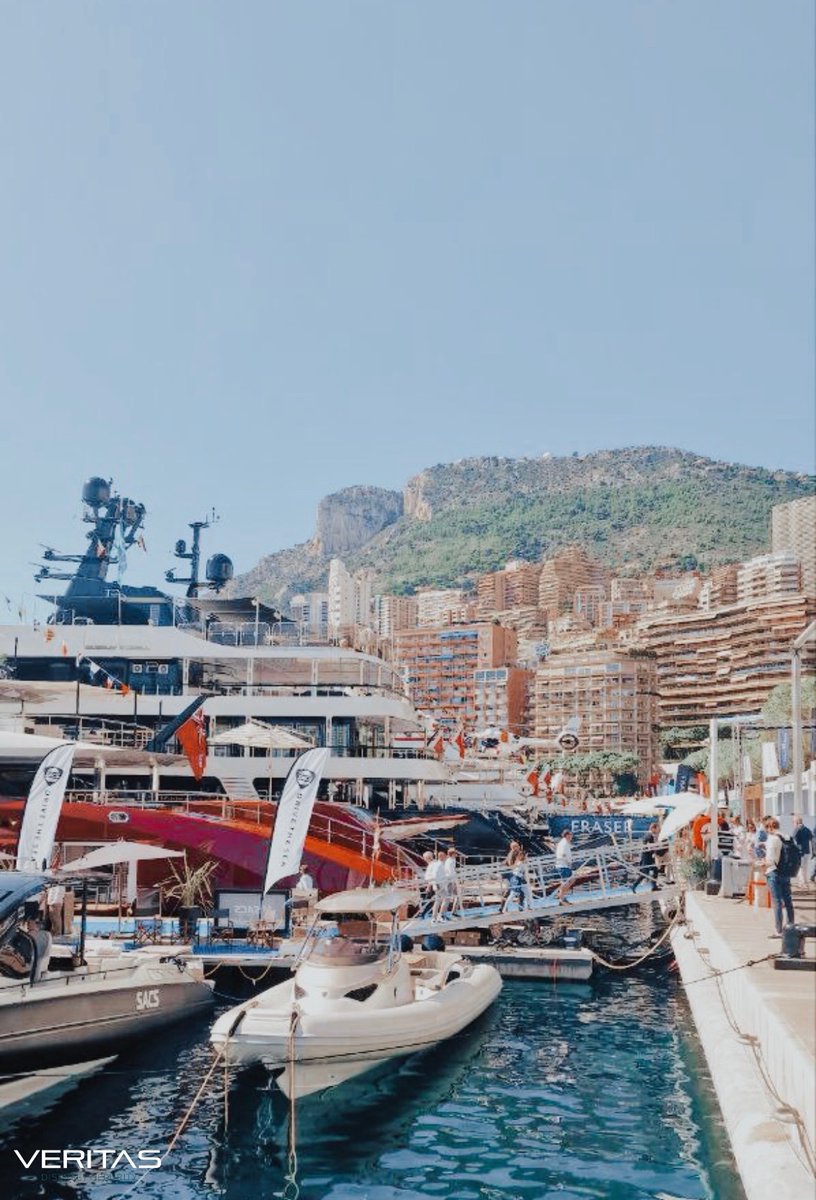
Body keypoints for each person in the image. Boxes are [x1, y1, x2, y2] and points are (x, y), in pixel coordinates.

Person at [764, 818, 794, 938]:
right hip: (786, 873)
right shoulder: (786, 837)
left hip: (774, 873)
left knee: (777, 902)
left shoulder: (772, 839)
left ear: (769, 827)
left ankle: (778, 931)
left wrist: (762, 863)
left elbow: (771, 861)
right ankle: (791, 928)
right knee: (788, 902)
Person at [633, 823, 659, 892]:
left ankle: (654, 886)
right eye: (657, 828)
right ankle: (634, 886)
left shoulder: (649, 835)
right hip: (647, 857)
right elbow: (648, 845)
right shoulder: (649, 836)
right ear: (653, 828)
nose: (658, 830)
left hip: (648, 856)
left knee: (654, 870)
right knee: (645, 873)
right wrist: (655, 846)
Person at [792, 815, 813, 888]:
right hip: (806, 851)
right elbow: (811, 838)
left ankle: (802, 883)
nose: (793, 823)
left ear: (797, 822)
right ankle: (804, 882)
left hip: (800, 851)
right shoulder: (807, 829)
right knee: (804, 867)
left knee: (800, 867)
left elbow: (793, 838)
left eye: (794, 821)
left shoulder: (796, 829)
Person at [555, 830, 575, 902]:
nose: (571, 837)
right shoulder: (564, 843)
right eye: (570, 835)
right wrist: (568, 862)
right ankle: (561, 896)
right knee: (567, 881)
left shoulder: (564, 842)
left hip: (563, 865)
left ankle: (561, 895)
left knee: (570, 880)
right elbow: (563, 854)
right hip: (563, 865)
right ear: (567, 835)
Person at [441, 847, 461, 919]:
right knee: (448, 898)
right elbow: (450, 872)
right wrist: (455, 881)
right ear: (453, 854)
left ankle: (453, 912)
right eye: (455, 853)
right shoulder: (450, 861)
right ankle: (443, 914)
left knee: (457, 896)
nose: (457, 854)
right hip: (450, 881)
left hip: (452, 880)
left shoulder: (451, 860)